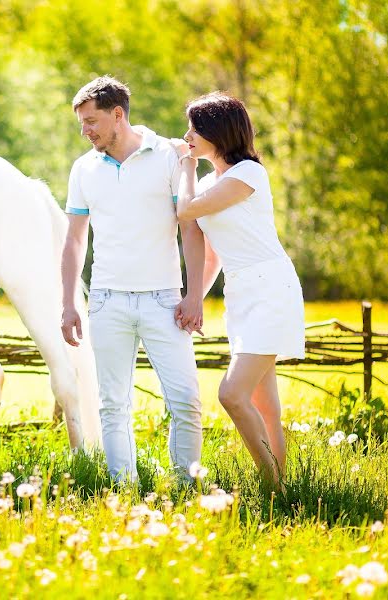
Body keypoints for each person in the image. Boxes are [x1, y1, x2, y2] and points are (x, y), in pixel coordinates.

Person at [61, 76, 206, 483]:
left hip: (164, 300)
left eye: (91, 121)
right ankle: (124, 490)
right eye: (82, 124)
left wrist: (194, 294)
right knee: (112, 405)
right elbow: (74, 241)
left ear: (118, 114)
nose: (85, 131)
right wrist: (70, 302)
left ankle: (185, 488)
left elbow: (190, 229)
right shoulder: (84, 168)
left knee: (185, 400)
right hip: (106, 302)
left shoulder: (167, 156)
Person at [175, 92, 305, 488]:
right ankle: (281, 493)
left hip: (271, 289)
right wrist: (195, 296)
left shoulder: (248, 174)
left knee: (232, 394)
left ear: (218, 132)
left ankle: (271, 483)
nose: (188, 136)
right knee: (265, 405)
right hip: (241, 293)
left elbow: (185, 211)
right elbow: (213, 254)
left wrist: (184, 166)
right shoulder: (207, 183)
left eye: (196, 129)